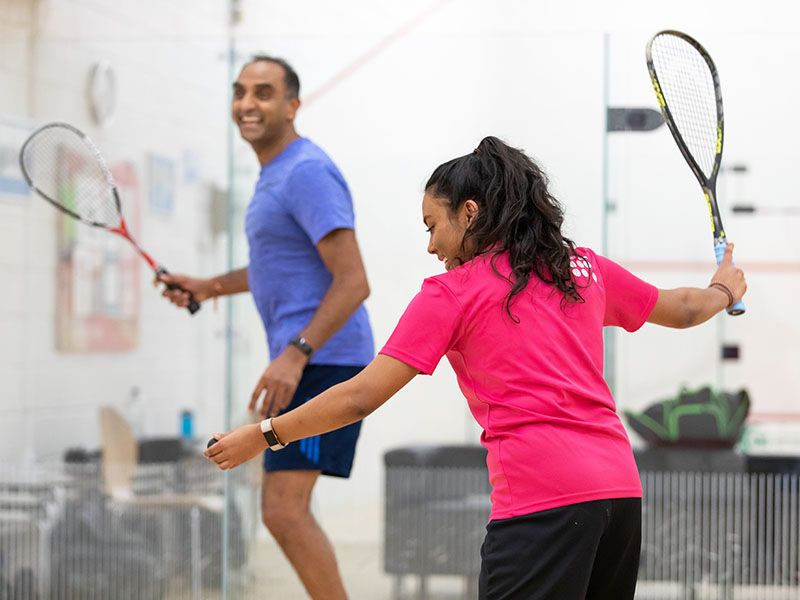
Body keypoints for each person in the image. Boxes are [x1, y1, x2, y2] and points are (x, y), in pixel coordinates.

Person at [204, 136, 747, 599]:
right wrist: (724, 287)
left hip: (542, 501)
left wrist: (265, 433)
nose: (431, 245)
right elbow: (687, 308)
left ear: (470, 212)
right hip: (619, 496)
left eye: (432, 225)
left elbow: (359, 397)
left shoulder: (451, 293)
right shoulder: (580, 267)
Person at [158, 56, 373, 600]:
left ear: (292, 105)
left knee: (281, 510)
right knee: (284, 509)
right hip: (312, 357)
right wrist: (210, 285)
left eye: (263, 92)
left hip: (326, 360)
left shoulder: (305, 171)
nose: (247, 103)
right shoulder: (275, 173)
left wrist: (296, 353)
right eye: (239, 92)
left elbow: (353, 281)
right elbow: (277, 265)